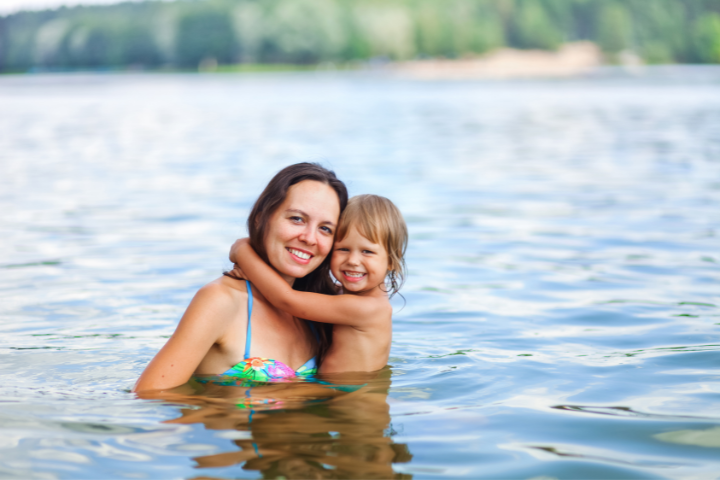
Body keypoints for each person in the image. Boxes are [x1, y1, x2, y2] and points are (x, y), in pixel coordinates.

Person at [133, 163, 348, 392]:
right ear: (260, 218)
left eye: (325, 229)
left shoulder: (320, 310)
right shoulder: (221, 301)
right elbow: (150, 394)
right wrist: (215, 408)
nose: (309, 238)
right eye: (297, 219)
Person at [228, 194, 408, 374]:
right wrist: (257, 275)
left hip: (351, 397)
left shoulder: (367, 308)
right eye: (343, 249)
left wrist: (242, 252)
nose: (353, 261)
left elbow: (287, 300)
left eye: (367, 251)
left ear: (392, 260)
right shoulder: (351, 295)